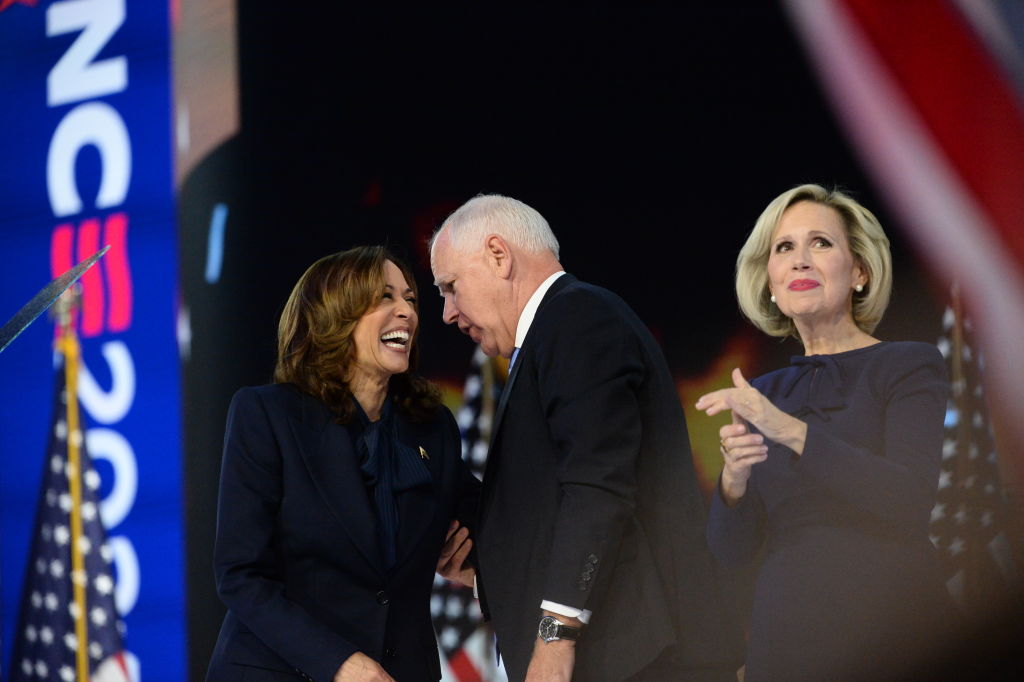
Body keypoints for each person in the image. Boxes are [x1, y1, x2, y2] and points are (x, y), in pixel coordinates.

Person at [429, 195, 742, 682]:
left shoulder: (577, 320)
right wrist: (483, 569)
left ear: (498, 254)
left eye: (450, 287)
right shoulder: (551, 335)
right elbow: (554, 507)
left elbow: (598, 490)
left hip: (634, 656)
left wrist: (554, 639)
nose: (447, 312)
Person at [696, 185, 957, 681]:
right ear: (769, 282)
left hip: (895, 635)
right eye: (784, 248)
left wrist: (790, 431)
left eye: (820, 243)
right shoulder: (758, 393)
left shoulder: (907, 365)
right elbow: (731, 552)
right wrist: (734, 482)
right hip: (787, 644)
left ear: (859, 271)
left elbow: (907, 499)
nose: (800, 260)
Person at [207, 246, 480, 682]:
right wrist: (336, 661)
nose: (406, 312)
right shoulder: (267, 415)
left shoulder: (432, 428)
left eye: (410, 299)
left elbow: (483, 523)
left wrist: (479, 570)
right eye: (384, 298)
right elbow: (241, 576)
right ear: (335, 316)